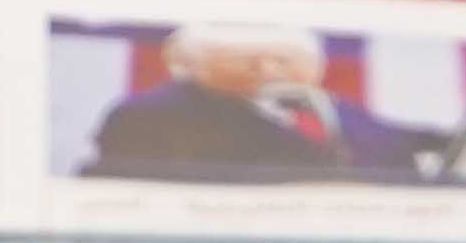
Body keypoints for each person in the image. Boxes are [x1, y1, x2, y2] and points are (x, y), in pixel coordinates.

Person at [81, 28, 436, 181]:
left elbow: (400, 142)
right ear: (194, 64)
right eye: (242, 58)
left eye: (284, 59)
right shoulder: (149, 116)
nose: (267, 69)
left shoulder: (339, 110)